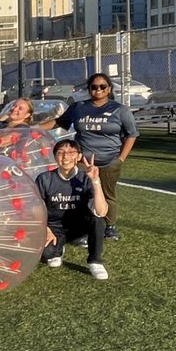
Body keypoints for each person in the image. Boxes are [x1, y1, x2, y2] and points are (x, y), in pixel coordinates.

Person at [40, 72, 137, 241]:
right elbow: (60, 122)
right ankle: (83, 227)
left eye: (102, 87)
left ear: (109, 89)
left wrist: (120, 159)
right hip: (82, 161)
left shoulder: (119, 110)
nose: (98, 90)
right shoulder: (79, 107)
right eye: (94, 87)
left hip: (109, 161)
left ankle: (110, 226)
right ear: (89, 89)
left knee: (107, 194)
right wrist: (34, 129)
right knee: (81, 195)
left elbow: (132, 134)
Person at [35, 138, 109, 279]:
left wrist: (95, 181)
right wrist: (46, 229)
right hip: (54, 228)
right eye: (61, 152)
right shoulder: (44, 179)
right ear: (55, 156)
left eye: (71, 152)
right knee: (48, 256)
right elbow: (37, 209)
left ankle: (95, 261)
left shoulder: (85, 178)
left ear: (79, 156)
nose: (65, 156)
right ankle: (58, 249)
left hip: (78, 227)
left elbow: (101, 211)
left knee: (98, 220)